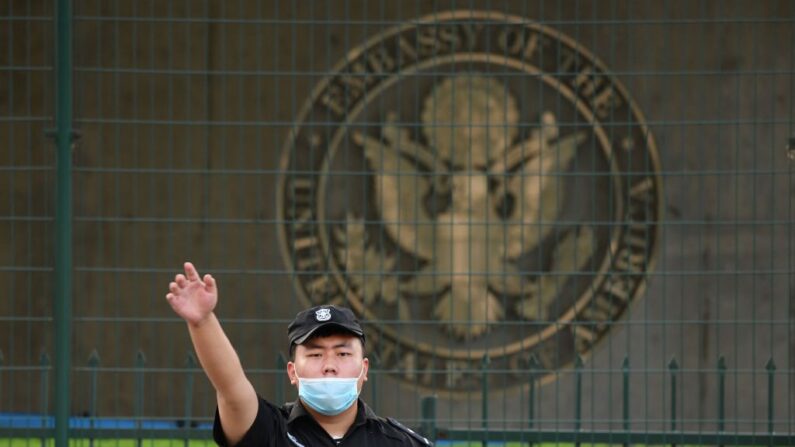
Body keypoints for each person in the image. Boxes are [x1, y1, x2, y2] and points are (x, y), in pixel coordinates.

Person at [166, 262, 432, 446]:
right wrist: (203, 322)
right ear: (292, 371)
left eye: (342, 354)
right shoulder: (270, 432)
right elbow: (231, 387)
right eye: (315, 355)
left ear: (364, 369)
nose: (329, 366)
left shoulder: (399, 442)